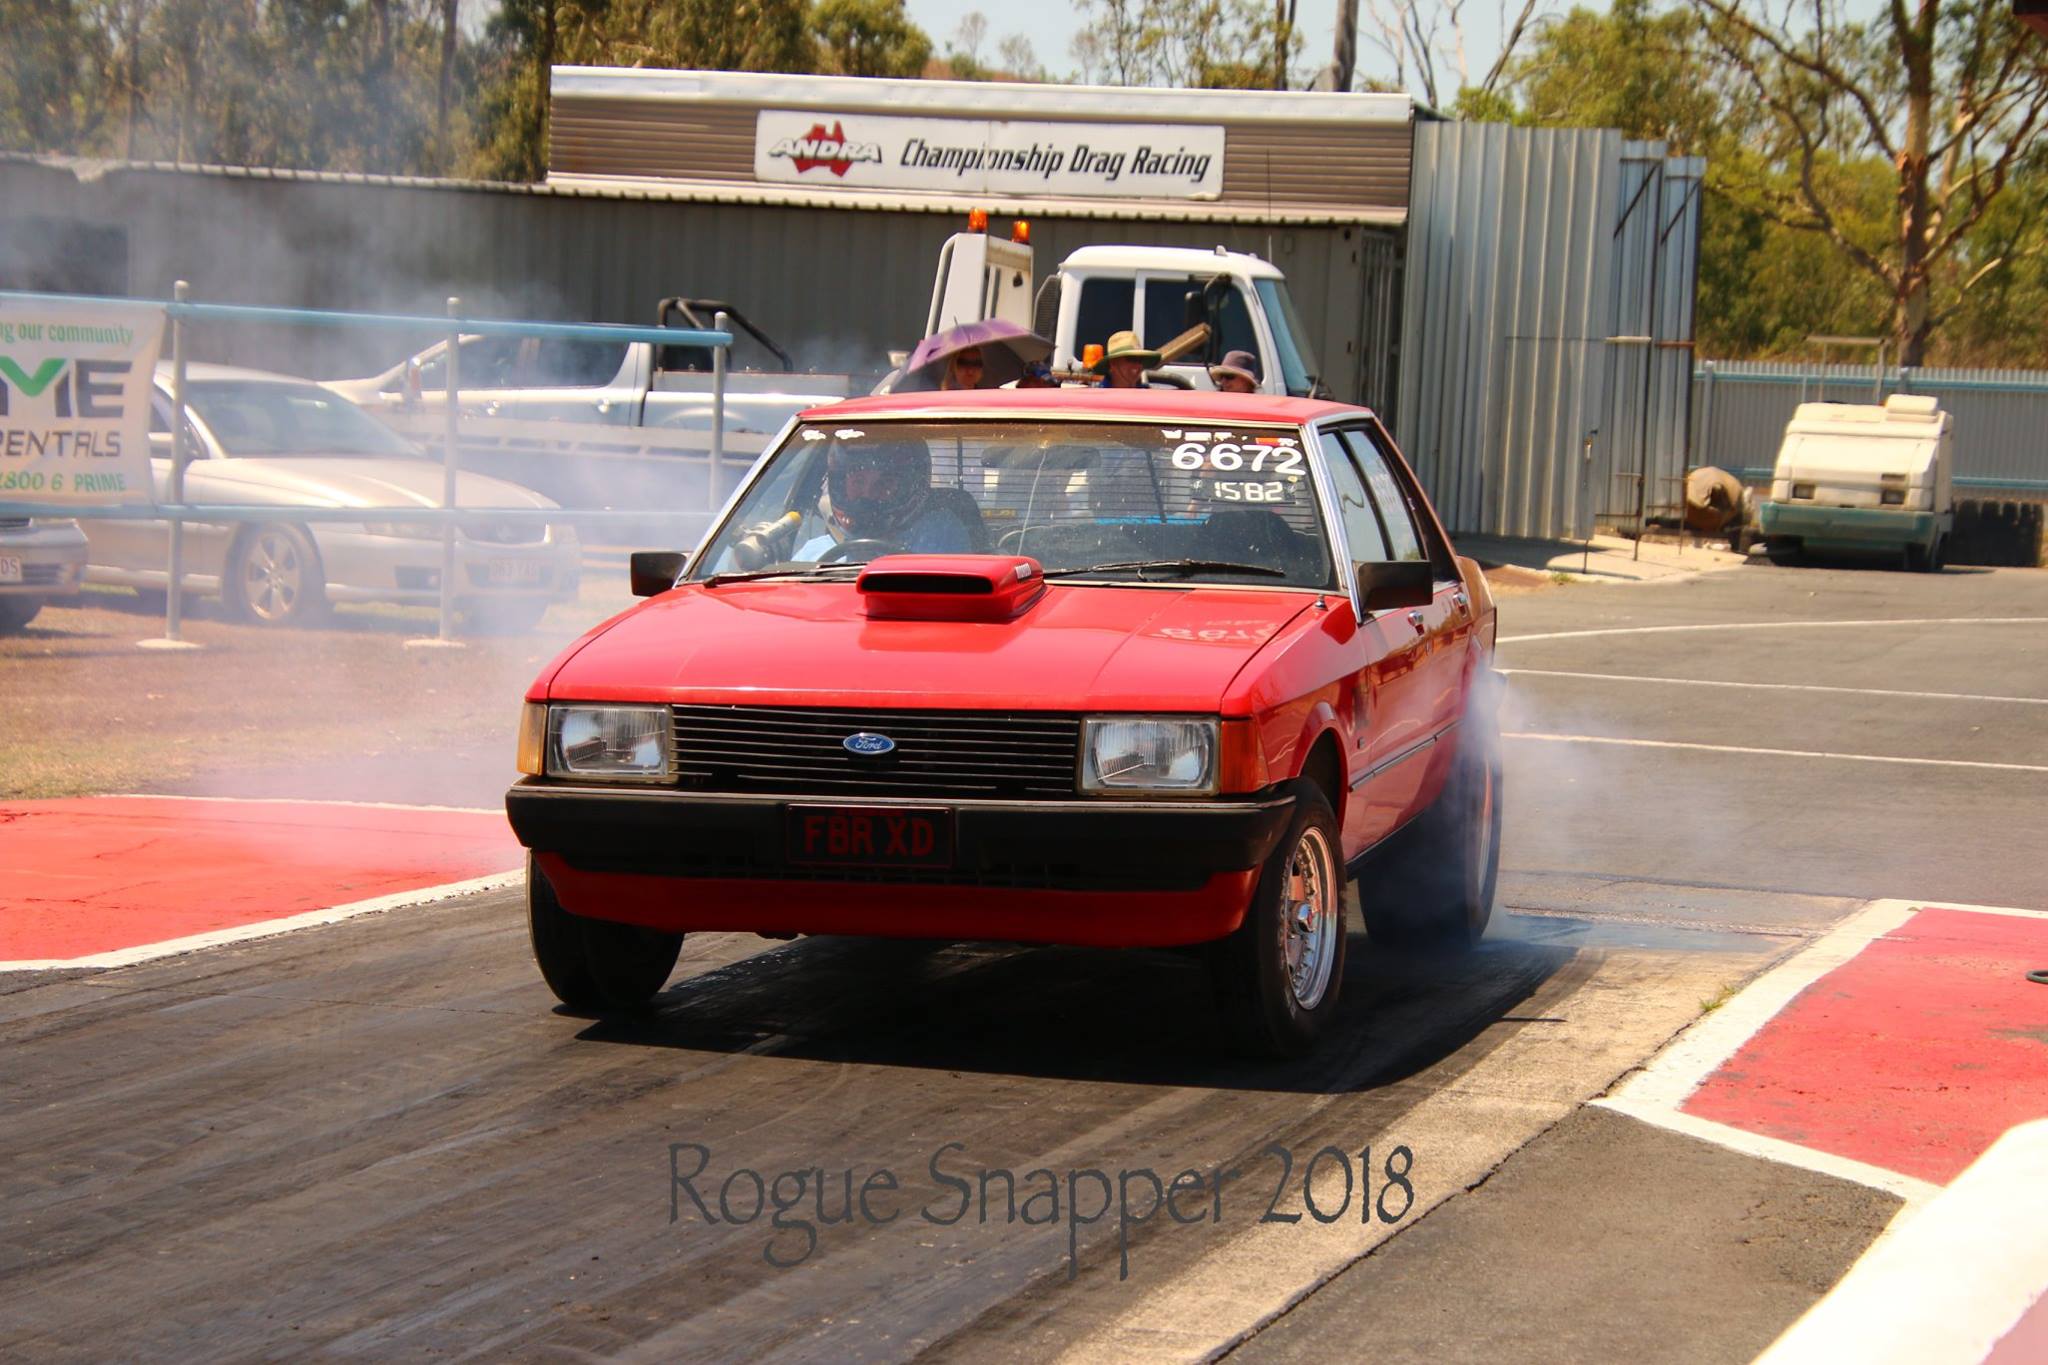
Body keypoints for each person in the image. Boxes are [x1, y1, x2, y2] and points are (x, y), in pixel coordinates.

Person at [792, 439, 985, 559]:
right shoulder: (814, 554)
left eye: (883, 484)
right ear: (840, 486)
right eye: (858, 482)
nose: (868, 494)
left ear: (910, 486)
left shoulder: (940, 532)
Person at [1093, 330, 1162, 389]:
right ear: (1113, 363)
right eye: (1132, 359)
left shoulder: (1149, 396)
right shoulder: (1096, 398)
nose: (1138, 365)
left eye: (1140, 359)